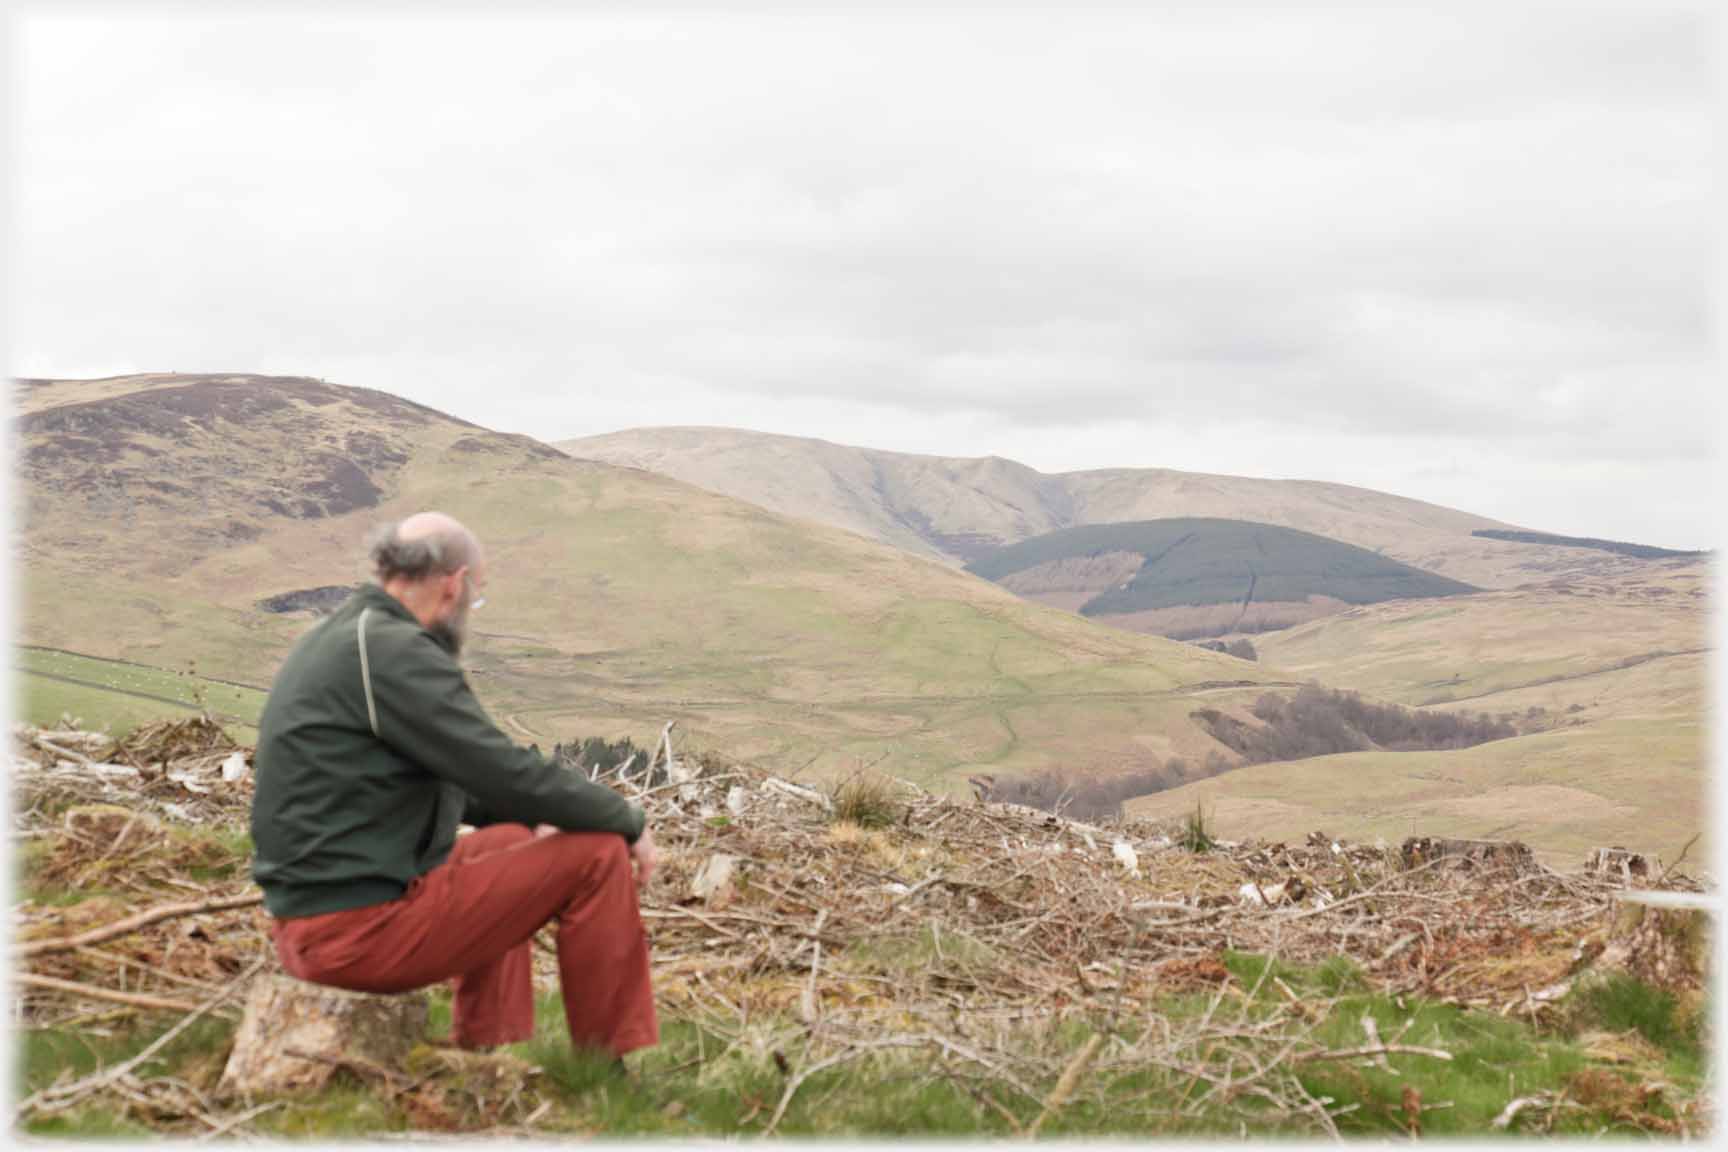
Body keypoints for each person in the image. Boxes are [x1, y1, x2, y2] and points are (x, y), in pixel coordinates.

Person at [250, 512, 658, 1057]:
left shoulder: (350, 636)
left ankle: (487, 1048)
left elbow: (456, 783)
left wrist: (537, 816)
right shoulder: (393, 651)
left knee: (511, 838)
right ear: (454, 583)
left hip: (318, 924)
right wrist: (625, 820)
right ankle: (605, 1067)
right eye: (477, 595)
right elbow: (501, 768)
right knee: (599, 852)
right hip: (355, 935)